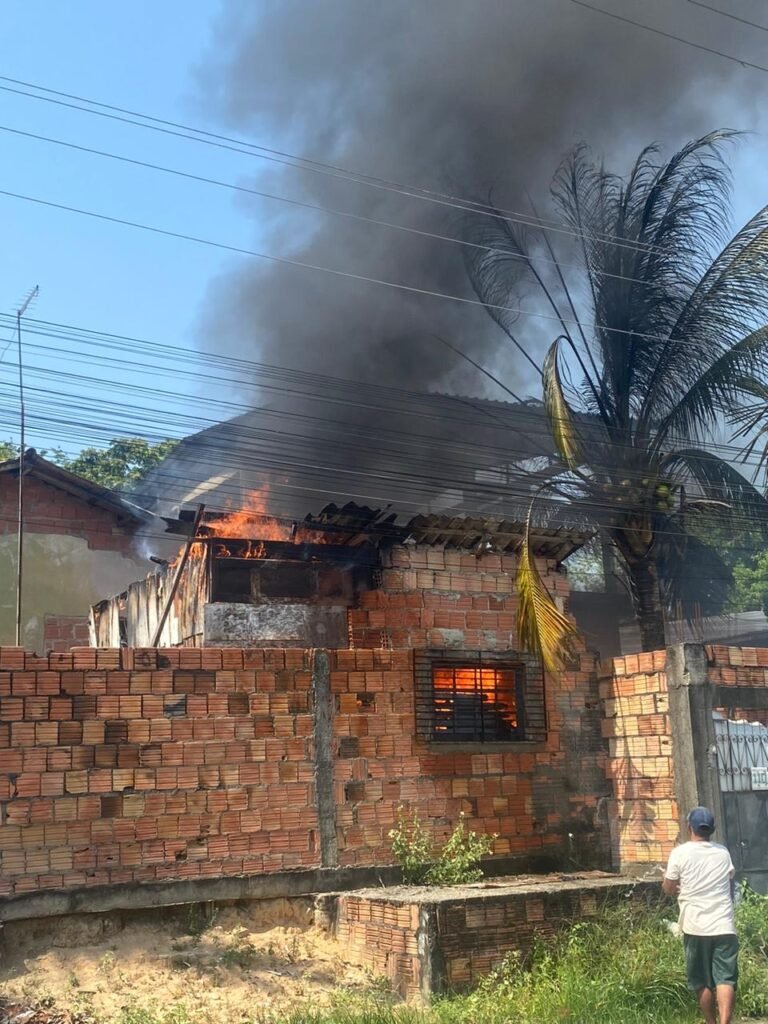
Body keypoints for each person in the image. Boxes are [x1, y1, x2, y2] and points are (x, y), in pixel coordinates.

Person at [663, 807, 738, 1024]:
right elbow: (728, 884)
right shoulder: (723, 852)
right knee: (725, 978)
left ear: (689, 828)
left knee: (701, 981)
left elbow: (668, 888)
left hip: (695, 927)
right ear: (711, 830)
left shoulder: (680, 853)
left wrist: (669, 881)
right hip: (724, 924)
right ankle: (725, 1022)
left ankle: (710, 1022)